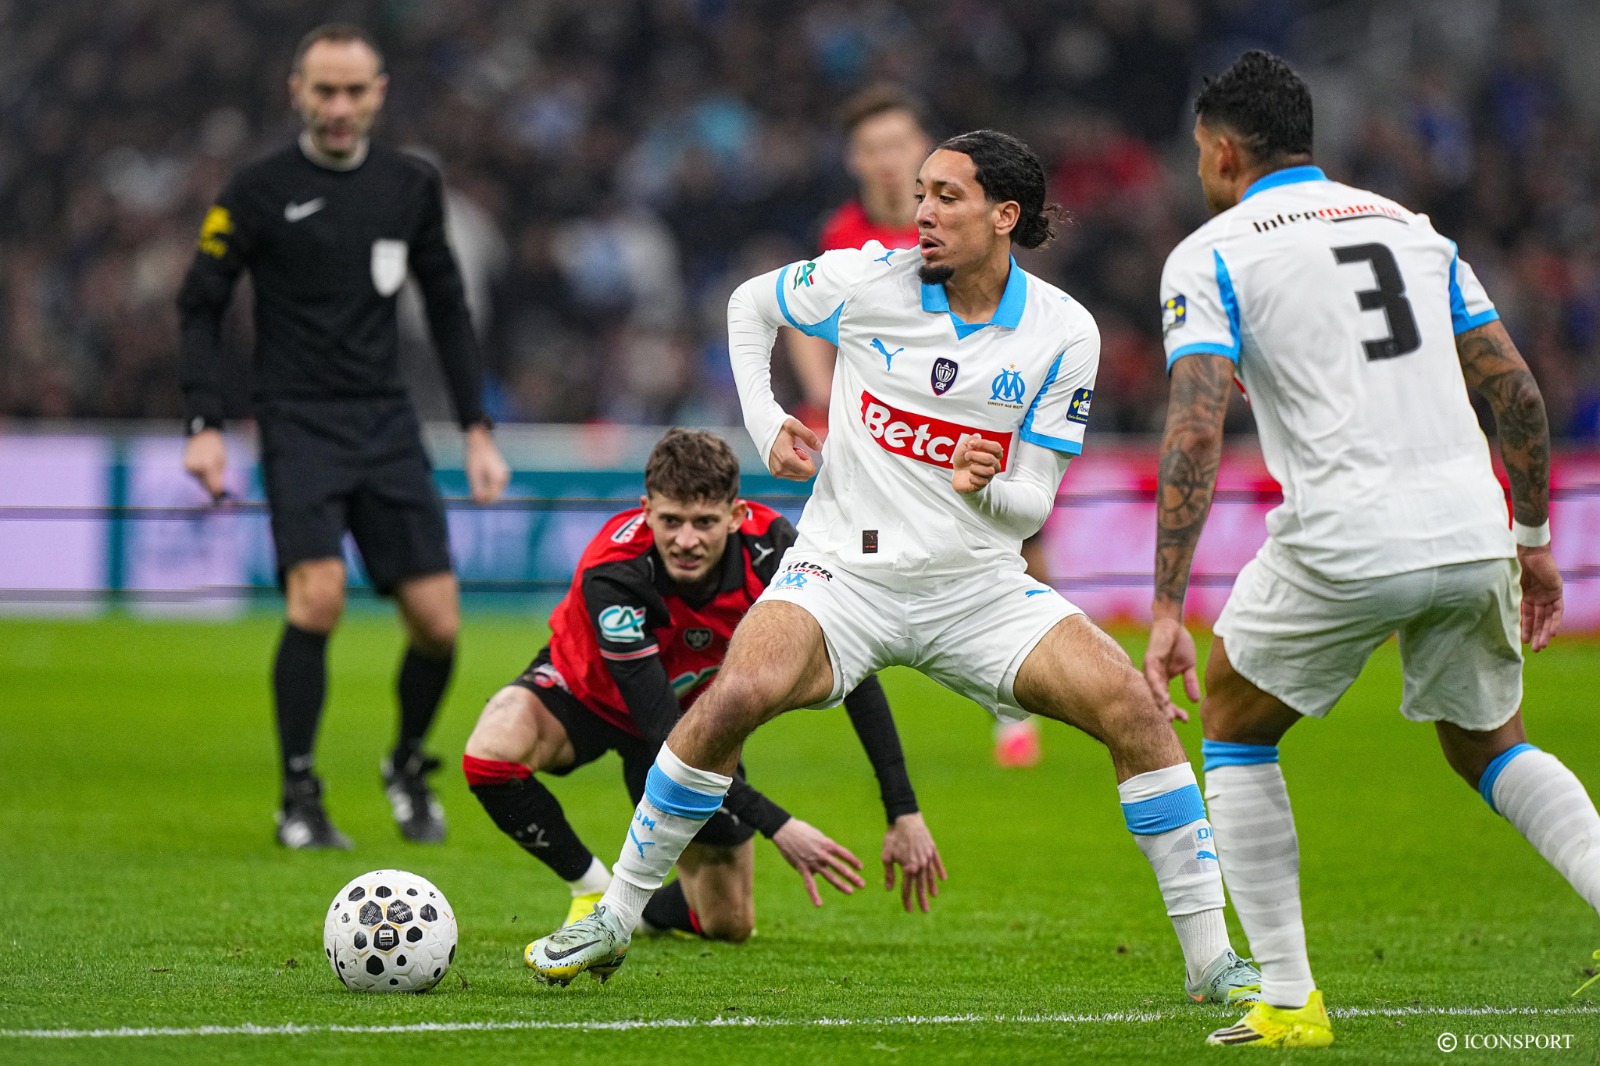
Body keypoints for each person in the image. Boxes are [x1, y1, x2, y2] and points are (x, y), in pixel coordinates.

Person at [526, 130, 1262, 1007]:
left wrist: (988, 490)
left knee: (1137, 713)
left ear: (1005, 215)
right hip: (845, 575)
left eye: (946, 196)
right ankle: (613, 918)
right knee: (732, 698)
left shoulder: (1064, 331)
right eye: (920, 192)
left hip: (977, 588)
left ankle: (1212, 962)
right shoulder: (870, 278)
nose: (921, 213)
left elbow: (1032, 503)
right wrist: (765, 424)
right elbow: (750, 306)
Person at [1143, 50, 1599, 1049]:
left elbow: (1193, 426)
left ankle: (1290, 998)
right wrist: (1530, 541)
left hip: (1344, 533)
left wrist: (1168, 605)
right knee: (1490, 742)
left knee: (1231, 718)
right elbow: (1516, 394)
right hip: (1470, 526)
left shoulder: (1212, 251)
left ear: (1222, 151)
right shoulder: (1413, 231)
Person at [177, 23, 510, 850]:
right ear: (297, 90)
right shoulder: (255, 189)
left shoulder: (410, 185)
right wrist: (204, 425)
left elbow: (446, 308)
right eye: (324, 90)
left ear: (379, 95)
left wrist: (477, 428)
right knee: (317, 599)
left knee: (438, 622)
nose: (339, 107)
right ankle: (299, 793)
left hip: (387, 419)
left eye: (354, 92)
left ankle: (405, 764)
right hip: (296, 418)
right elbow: (199, 302)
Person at [462, 428, 944, 946]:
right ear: (646, 510)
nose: (686, 540)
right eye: (670, 521)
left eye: (705, 523)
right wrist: (778, 824)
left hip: (694, 722)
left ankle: (639, 914)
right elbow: (658, 730)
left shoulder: (777, 554)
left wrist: (903, 810)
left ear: (736, 516)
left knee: (727, 923)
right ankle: (592, 888)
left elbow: (855, 674)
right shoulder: (615, 571)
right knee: (492, 751)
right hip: (585, 697)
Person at [792, 84, 1044, 769]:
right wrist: (820, 393)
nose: (885, 159)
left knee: (1012, 540)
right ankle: (857, 684)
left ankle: (1013, 699)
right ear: (854, 158)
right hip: (881, 429)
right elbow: (804, 316)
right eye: (872, 148)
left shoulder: (958, 223)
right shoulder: (841, 235)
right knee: (855, 554)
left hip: (972, 416)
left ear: (922, 150)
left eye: (898, 144)